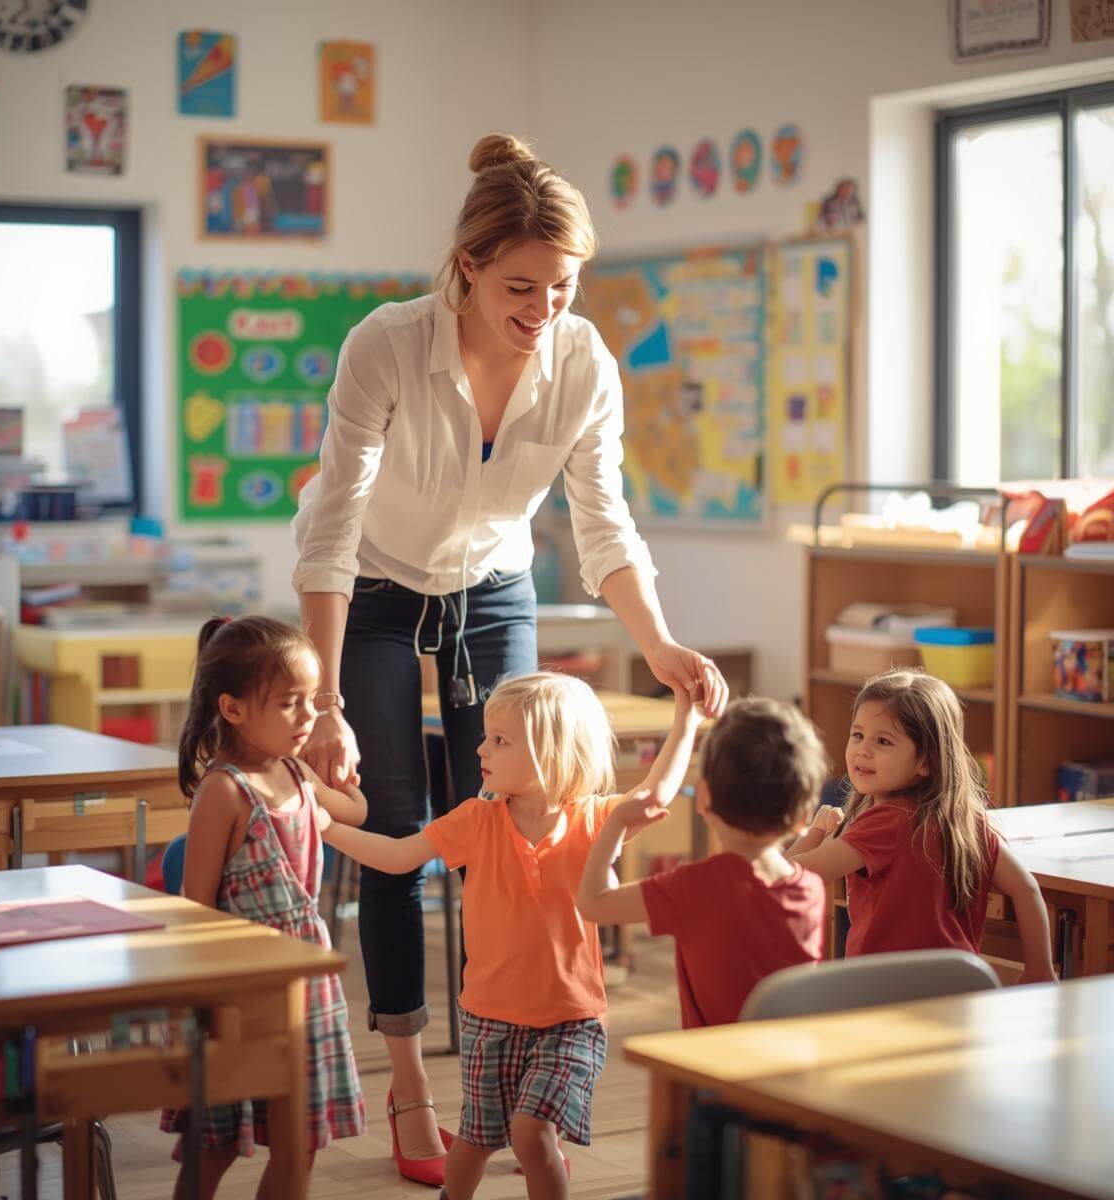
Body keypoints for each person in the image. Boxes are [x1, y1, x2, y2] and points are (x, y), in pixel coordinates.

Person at [291, 131, 728, 1182]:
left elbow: (603, 523)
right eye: (521, 287)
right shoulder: (385, 346)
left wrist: (659, 643)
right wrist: (323, 703)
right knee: (401, 824)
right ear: (468, 266)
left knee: (532, 822)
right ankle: (407, 1083)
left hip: (492, 588)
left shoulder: (584, 363)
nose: (543, 312)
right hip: (378, 591)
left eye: (565, 289)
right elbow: (332, 526)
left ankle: (520, 1064)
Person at [319, 672, 702, 1200]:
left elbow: (656, 792)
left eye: (499, 740)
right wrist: (324, 826)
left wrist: (688, 716)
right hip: (488, 1019)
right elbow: (395, 857)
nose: (480, 748)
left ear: (551, 750)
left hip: (571, 1020)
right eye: (486, 736)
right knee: (474, 1143)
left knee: (532, 1135)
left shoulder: (594, 819)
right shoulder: (475, 820)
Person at [160, 615, 368, 1200]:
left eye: (311, 701)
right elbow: (195, 906)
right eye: (289, 704)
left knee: (301, 1137)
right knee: (217, 1141)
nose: (307, 717)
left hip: (305, 986)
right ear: (232, 709)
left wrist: (340, 767)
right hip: (241, 993)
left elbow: (356, 811)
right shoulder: (224, 791)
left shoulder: (297, 772)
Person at [789, 669, 1057, 982]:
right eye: (858, 735)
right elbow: (1026, 888)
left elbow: (788, 879)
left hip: (883, 997)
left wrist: (816, 831)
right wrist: (1041, 968)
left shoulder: (886, 822)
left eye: (884, 741)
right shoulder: (969, 822)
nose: (863, 749)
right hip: (961, 991)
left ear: (926, 762)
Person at [577, 695, 828, 1027]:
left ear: (704, 798)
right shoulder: (811, 888)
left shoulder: (696, 888)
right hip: (788, 1066)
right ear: (802, 816)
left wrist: (616, 824)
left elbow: (593, 904)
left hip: (714, 1069)